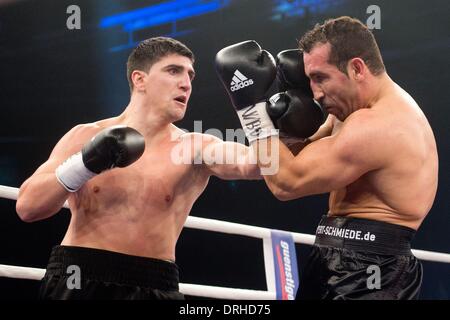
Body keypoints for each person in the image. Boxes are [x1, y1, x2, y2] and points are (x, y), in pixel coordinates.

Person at [16, 37, 262, 300]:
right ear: (139, 79)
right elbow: (28, 207)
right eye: (173, 70)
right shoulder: (84, 136)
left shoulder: (194, 147)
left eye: (190, 75)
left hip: (154, 283)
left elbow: (258, 165)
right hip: (77, 276)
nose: (186, 83)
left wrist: (253, 107)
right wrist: (85, 163)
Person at [215, 16, 438, 299]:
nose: (316, 93)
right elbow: (294, 157)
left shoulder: (381, 125)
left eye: (321, 78)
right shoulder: (350, 111)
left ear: (357, 68)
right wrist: (288, 121)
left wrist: (250, 107)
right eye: (309, 80)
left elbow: (286, 182)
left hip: (372, 269)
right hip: (332, 255)